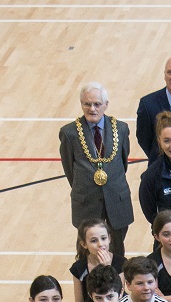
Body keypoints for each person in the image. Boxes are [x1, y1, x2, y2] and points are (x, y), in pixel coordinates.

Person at [59, 83, 133, 256]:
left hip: (116, 199)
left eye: (97, 104)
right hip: (87, 201)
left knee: (118, 251)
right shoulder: (69, 133)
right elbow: (70, 170)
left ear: (106, 105)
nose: (92, 109)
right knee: (87, 252)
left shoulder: (121, 129)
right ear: (81, 104)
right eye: (87, 104)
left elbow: (123, 163)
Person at [69, 219, 124, 302]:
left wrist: (107, 268)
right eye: (94, 241)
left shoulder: (120, 263)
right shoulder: (79, 268)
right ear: (84, 244)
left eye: (103, 238)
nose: (100, 244)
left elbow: (119, 294)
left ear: (109, 238)